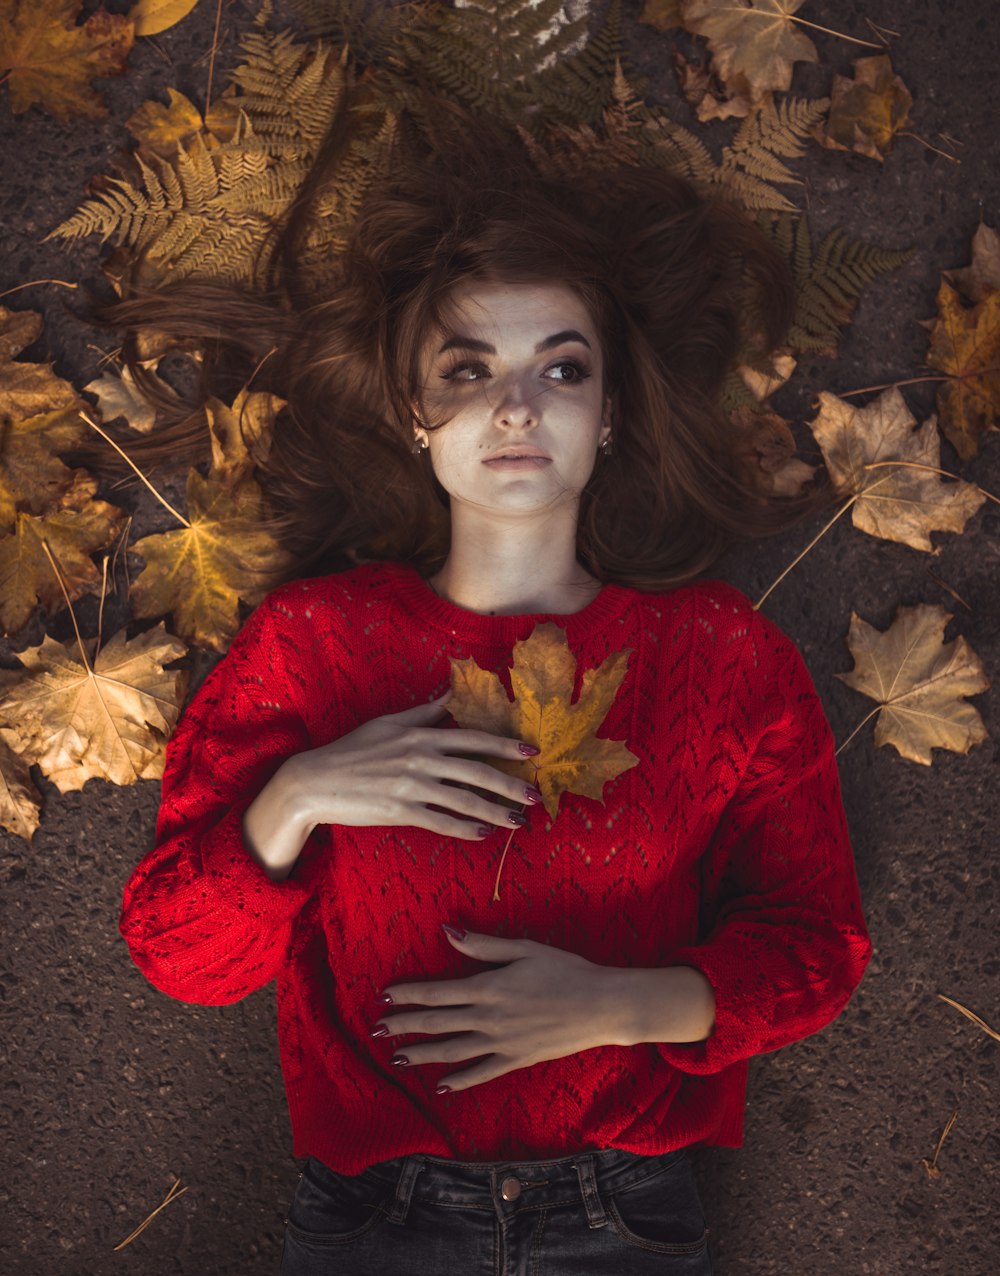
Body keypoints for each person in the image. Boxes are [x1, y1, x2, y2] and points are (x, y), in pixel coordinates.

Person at [99, 93, 873, 1275]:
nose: (517, 404)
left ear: (608, 414)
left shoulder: (722, 657)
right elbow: (181, 956)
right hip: (370, 1214)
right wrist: (297, 794)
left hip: (628, 1210)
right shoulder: (312, 643)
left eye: (561, 368)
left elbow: (816, 945)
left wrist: (620, 1004)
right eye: (470, 369)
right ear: (416, 414)